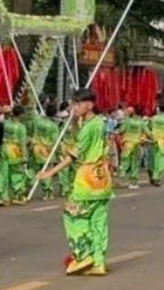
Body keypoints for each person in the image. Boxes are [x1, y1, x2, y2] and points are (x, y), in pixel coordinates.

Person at [37, 89, 112, 276]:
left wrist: (50, 172)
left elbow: (73, 154)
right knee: (98, 220)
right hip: (102, 177)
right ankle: (99, 262)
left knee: (73, 215)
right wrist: (74, 122)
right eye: (74, 104)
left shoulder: (90, 127)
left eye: (78, 104)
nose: (74, 108)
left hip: (87, 177)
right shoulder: (99, 123)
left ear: (90, 104)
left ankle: (83, 254)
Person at [0, 105, 30, 206]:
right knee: (17, 173)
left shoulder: (6, 124)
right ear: (21, 115)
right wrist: (24, 156)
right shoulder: (21, 127)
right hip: (14, 151)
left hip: (4, 148)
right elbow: (22, 143)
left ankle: (3, 197)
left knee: (2, 173)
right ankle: (18, 195)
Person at [28, 103, 60, 199]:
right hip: (46, 150)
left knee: (33, 168)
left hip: (36, 148)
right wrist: (57, 152)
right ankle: (48, 191)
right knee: (47, 171)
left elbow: (31, 116)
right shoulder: (54, 126)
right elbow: (55, 141)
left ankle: (30, 183)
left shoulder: (37, 121)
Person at [118, 106, 147, 189]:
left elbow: (121, 130)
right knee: (135, 164)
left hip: (127, 144)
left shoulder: (127, 121)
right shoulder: (142, 123)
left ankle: (122, 174)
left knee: (125, 161)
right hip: (137, 144)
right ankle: (133, 182)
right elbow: (148, 132)